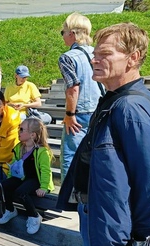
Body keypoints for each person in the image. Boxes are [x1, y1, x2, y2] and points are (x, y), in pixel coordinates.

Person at [57, 23, 150, 246]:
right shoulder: (114, 98)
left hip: (112, 231)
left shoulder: (130, 106)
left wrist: (138, 234)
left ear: (133, 57)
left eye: (105, 54)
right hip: (101, 220)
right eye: (96, 53)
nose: (95, 59)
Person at [58, 12, 103, 181]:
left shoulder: (67, 58)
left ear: (72, 34)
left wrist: (70, 114)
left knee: (70, 155)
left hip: (80, 113)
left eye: (63, 32)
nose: (63, 36)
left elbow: (73, 88)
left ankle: (71, 196)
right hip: (99, 110)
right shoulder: (97, 53)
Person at [0, 118, 54, 234]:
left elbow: (45, 171)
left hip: (36, 180)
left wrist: (44, 187)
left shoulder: (42, 151)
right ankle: (10, 209)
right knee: (2, 186)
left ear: (32, 135)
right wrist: (9, 180)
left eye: (22, 129)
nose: (19, 132)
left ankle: (34, 216)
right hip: (22, 177)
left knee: (20, 192)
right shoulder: (19, 147)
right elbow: (13, 165)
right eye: (19, 129)